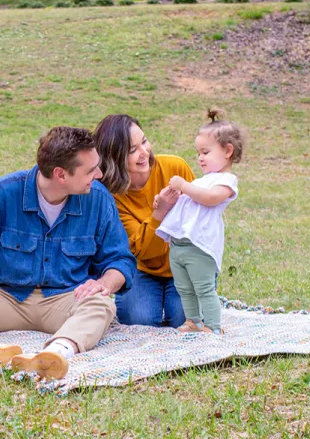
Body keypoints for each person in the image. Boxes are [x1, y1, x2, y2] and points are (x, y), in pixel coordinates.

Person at [0, 126, 135, 380]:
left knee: (102, 302)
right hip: (5, 298)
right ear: (61, 174)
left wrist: (104, 284)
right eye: (91, 170)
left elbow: (120, 260)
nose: (99, 174)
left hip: (65, 300)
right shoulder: (3, 194)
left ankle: (55, 354)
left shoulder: (99, 199)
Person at [94, 114, 195, 328]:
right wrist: (160, 213)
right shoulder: (112, 196)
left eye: (144, 141)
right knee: (139, 321)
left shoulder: (175, 168)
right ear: (114, 157)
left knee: (184, 319)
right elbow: (142, 251)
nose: (144, 152)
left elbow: (200, 219)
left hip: (185, 264)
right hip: (142, 267)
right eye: (132, 150)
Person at [157, 110, 245, 334]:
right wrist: (166, 200)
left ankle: (213, 326)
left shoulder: (226, 181)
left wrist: (184, 186)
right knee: (184, 288)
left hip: (200, 245)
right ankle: (192, 321)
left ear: (228, 151)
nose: (200, 158)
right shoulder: (201, 181)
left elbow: (210, 198)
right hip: (179, 245)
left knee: (204, 288)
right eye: (198, 153)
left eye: (205, 152)